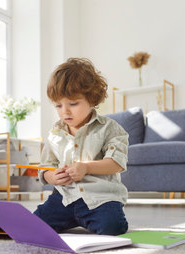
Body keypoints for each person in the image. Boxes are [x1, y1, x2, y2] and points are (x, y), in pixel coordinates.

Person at [34, 58, 129, 236]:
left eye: (73, 103)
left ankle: (90, 220)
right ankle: (76, 220)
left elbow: (116, 162)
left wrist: (86, 167)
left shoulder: (110, 128)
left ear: (92, 99)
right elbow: (45, 168)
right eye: (58, 105)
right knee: (33, 225)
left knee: (113, 227)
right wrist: (52, 177)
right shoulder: (55, 133)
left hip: (101, 198)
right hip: (63, 198)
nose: (65, 111)